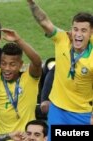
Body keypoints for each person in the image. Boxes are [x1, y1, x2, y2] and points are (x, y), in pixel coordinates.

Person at [27, 0, 93, 140]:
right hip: (58, 110)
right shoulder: (62, 39)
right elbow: (44, 21)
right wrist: (32, 4)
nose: (78, 34)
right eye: (75, 29)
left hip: (82, 115)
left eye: (83, 30)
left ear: (91, 33)